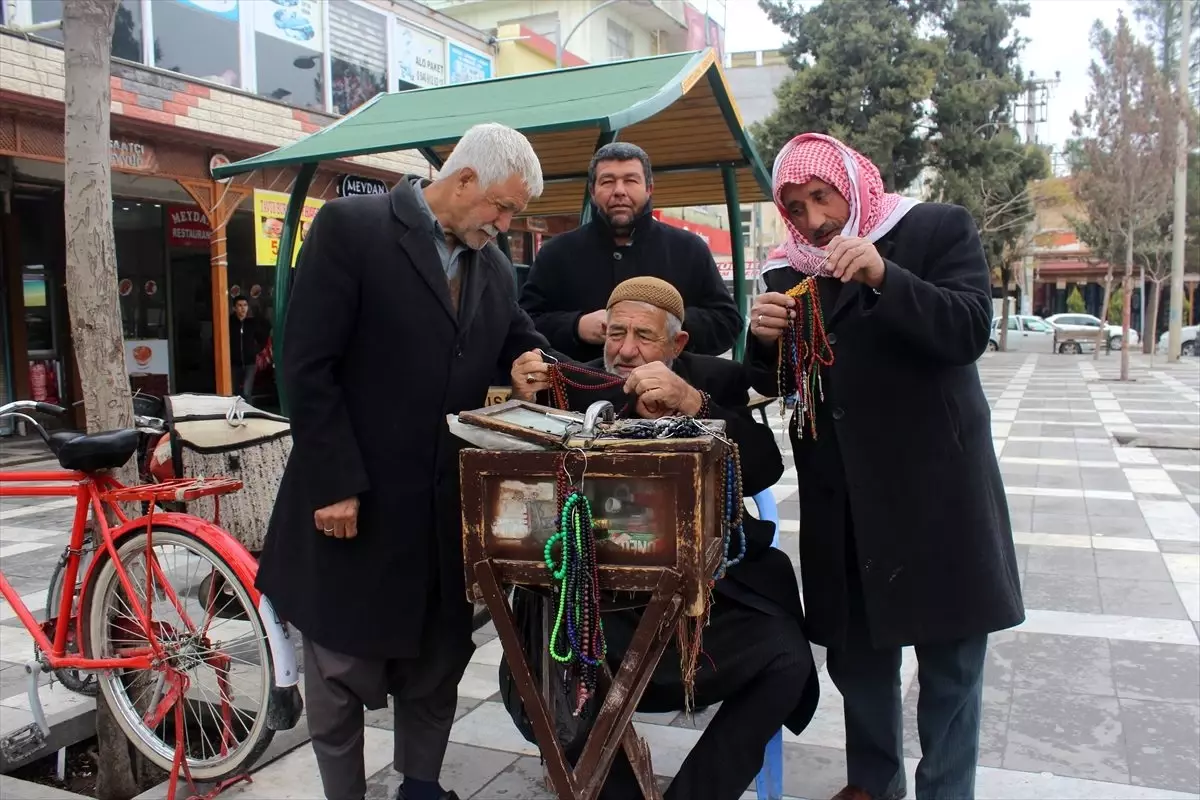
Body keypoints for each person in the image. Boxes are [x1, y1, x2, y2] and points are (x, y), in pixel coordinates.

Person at [257, 123, 552, 800]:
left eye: (514, 216)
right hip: (354, 496)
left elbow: (523, 340)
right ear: (465, 178)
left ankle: (420, 786)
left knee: (436, 659)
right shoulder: (351, 228)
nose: (504, 226)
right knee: (339, 662)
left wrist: (544, 362)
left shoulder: (495, 268)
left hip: (441, 507)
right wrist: (334, 483)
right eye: (501, 208)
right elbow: (307, 366)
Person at [743, 133, 1023, 800]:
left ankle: (946, 793)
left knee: (951, 668)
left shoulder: (933, 229)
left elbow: (966, 330)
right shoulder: (789, 271)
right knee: (860, 665)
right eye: (795, 206)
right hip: (844, 502)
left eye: (822, 196)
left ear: (851, 183)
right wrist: (760, 344)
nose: (814, 219)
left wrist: (883, 276)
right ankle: (872, 786)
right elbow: (780, 384)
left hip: (936, 496)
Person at [508, 277, 819, 800]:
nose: (625, 350)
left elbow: (762, 465)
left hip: (696, 610)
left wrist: (695, 404)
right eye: (615, 333)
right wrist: (524, 399)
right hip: (594, 609)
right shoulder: (574, 382)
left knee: (786, 659)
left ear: (676, 345)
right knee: (540, 676)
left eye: (644, 337)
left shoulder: (707, 379)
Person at [518, 142, 742, 363]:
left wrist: (667, 324)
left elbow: (727, 323)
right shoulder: (556, 253)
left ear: (649, 188)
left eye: (630, 180)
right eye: (607, 181)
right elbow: (523, 325)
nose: (619, 191)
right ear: (592, 191)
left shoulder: (689, 249)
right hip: (581, 393)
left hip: (673, 392)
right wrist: (577, 327)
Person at [229, 295, 263, 401]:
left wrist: (254, 351)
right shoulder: (229, 323)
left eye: (245, 305)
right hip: (234, 364)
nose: (243, 308)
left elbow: (261, 339)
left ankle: (250, 414)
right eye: (239, 305)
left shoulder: (252, 323)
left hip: (250, 363)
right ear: (234, 308)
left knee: (247, 392)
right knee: (235, 393)